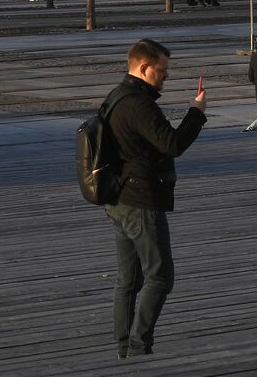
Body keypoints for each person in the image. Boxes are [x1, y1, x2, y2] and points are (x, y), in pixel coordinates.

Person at [101, 38, 206, 359]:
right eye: (162, 70)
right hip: (140, 199)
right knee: (160, 276)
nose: (166, 76)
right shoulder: (138, 104)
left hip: (117, 197)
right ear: (144, 68)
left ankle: (124, 348)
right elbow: (171, 144)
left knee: (127, 280)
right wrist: (196, 113)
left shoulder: (116, 96)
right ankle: (137, 347)